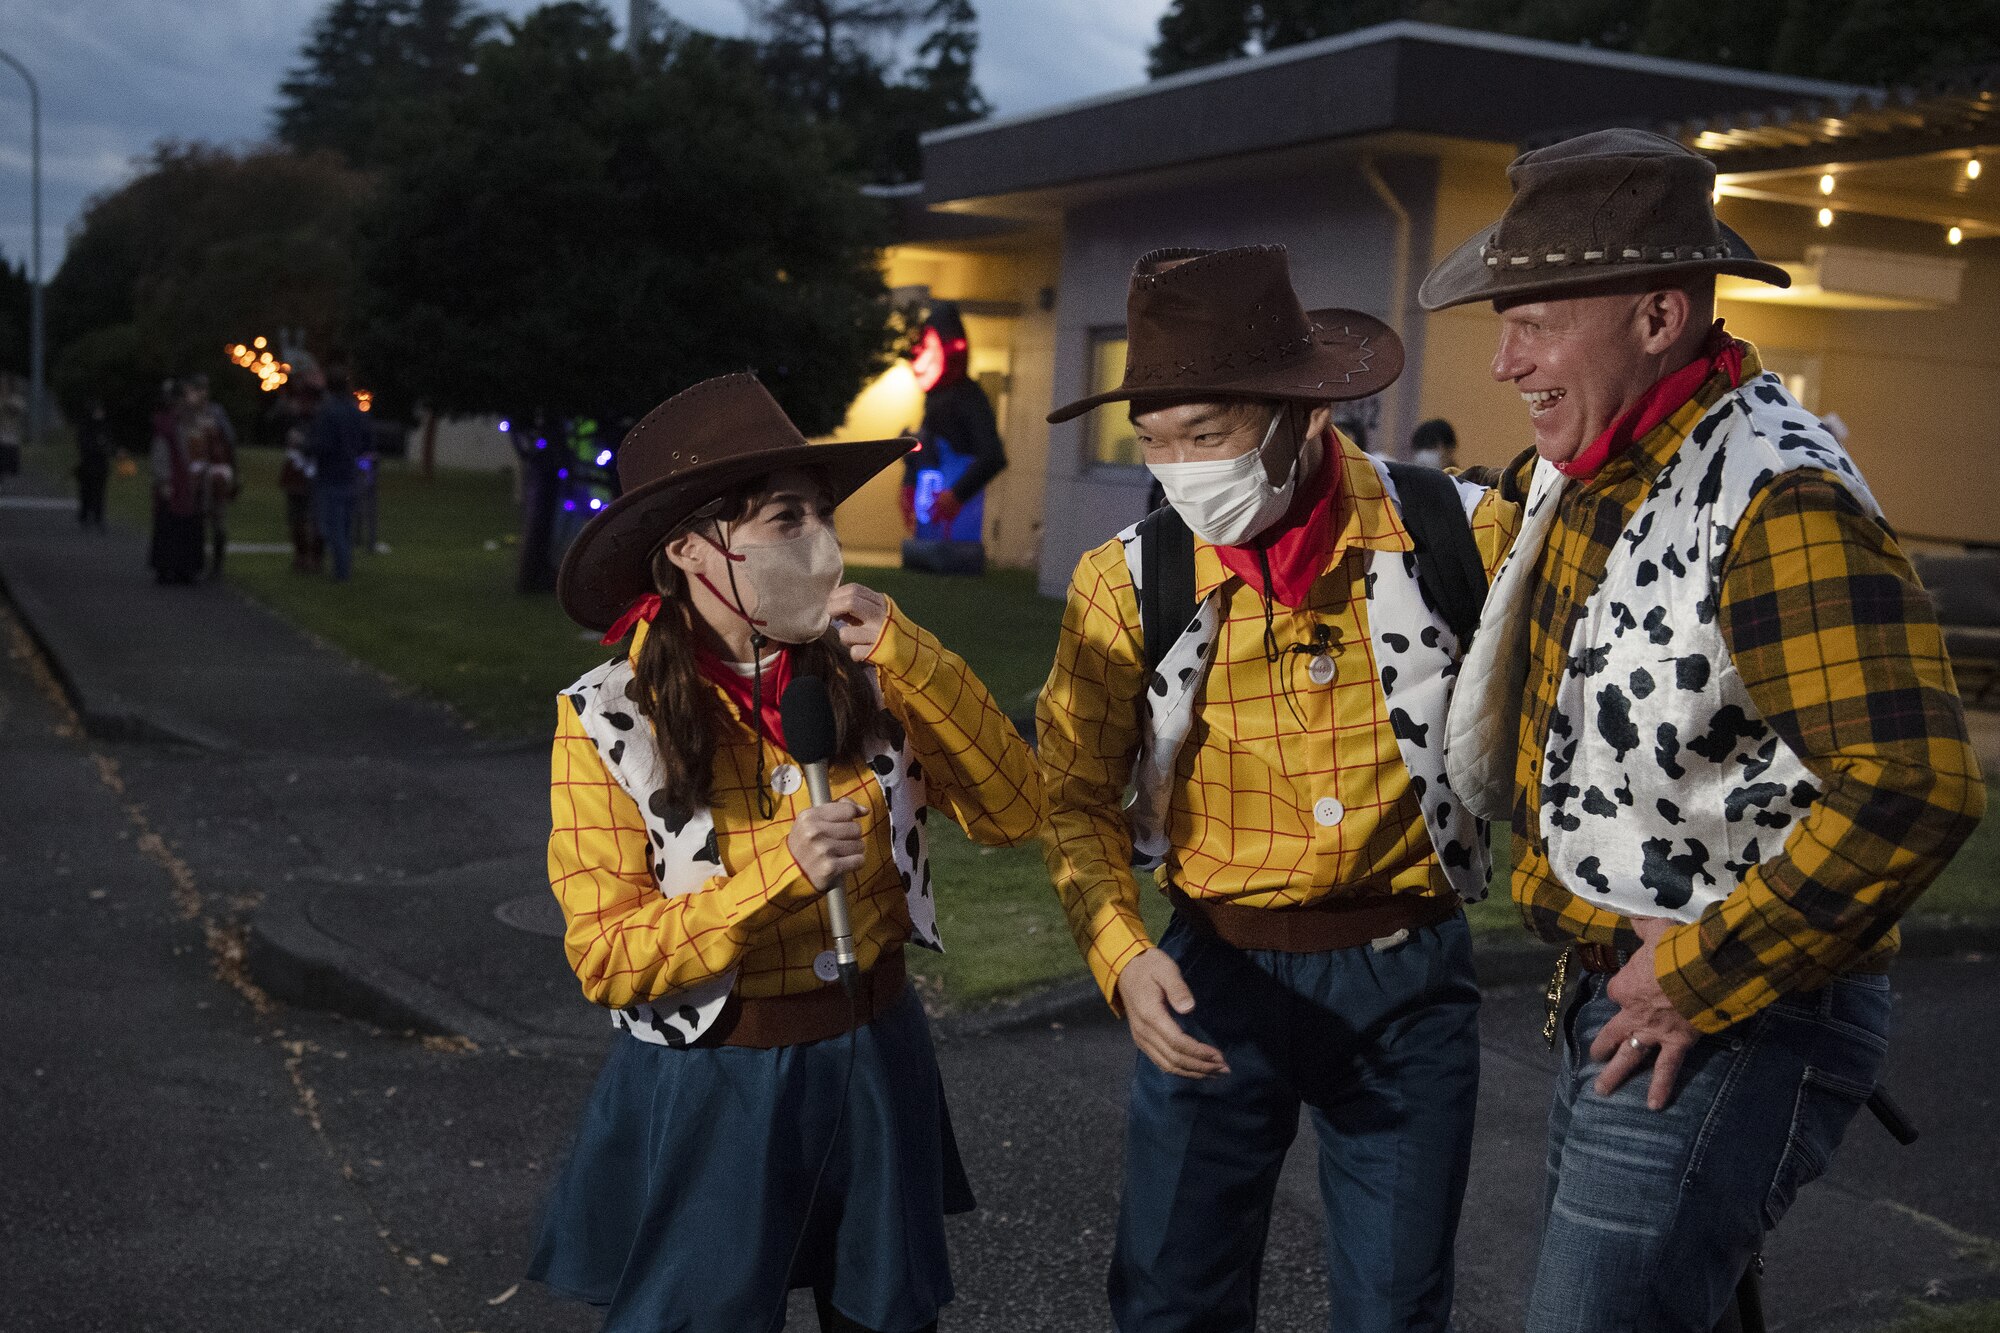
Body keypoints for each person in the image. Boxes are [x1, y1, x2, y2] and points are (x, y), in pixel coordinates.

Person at [1423, 129, 1988, 1332]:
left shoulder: (1776, 499)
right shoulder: (1593, 470)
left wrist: (1691, 976)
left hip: (1725, 1013)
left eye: (1531, 319)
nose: (1500, 359)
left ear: (1656, 317)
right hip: (1617, 992)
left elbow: (1912, 784)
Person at [1037, 245, 1520, 1332]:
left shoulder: (1461, 535)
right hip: (1215, 963)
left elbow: (1556, 742)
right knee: (1169, 1296)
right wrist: (1120, 952)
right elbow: (1070, 796)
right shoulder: (1127, 579)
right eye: (1152, 444)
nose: (1178, 470)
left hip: (1407, 977)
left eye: (1204, 436)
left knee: (1395, 1306)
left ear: (1302, 417)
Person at [527, 372, 1042, 1333]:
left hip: (873, 1046)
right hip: (714, 1072)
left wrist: (914, 655)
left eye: (820, 515)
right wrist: (776, 875)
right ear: (688, 549)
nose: (820, 541)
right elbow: (607, 957)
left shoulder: (870, 664)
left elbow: (1016, 812)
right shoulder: (604, 714)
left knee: (884, 1317)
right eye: (784, 519)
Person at [309, 365, 369, 581]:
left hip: (330, 475)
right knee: (344, 525)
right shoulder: (355, 412)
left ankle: (341, 572)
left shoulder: (328, 412)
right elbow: (367, 441)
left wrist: (305, 446)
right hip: (350, 474)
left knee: (332, 525)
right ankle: (343, 567)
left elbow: (322, 444)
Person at [179, 374, 238, 580]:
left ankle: (216, 566)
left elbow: (229, 442)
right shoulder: (185, 413)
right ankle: (197, 562)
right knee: (196, 520)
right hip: (194, 474)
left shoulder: (216, 413)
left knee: (218, 521)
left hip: (214, 474)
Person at [147, 380, 204, 586]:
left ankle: (182, 568)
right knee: (170, 525)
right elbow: (161, 454)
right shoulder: (167, 425)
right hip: (175, 481)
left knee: (183, 525)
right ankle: (169, 568)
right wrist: (164, 480)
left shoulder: (182, 422)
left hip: (185, 481)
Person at [279, 422, 323, 573]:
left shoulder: (319, 419)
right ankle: (302, 555)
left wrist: (303, 443)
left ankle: (314, 557)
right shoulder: (298, 417)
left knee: (312, 520)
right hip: (297, 475)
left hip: (311, 474)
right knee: (296, 520)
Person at [75, 400, 112, 529]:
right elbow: (84, 443)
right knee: (87, 491)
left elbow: (108, 443)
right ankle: (85, 515)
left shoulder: (104, 426)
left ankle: (98, 516)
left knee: (99, 492)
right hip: (88, 464)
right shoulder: (86, 426)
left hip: (101, 464)